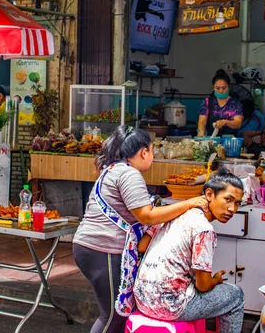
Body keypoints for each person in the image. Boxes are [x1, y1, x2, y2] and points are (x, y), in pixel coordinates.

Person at [73, 125, 209, 333]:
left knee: (116, 314)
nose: (152, 156)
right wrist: (189, 204)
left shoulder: (114, 169)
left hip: (92, 247)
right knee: (113, 315)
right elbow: (147, 216)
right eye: (152, 151)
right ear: (144, 152)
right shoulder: (128, 174)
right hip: (103, 248)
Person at [133, 168, 245, 333]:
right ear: (209, 195)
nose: (232, 209)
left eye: (237, 203)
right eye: (228, 199)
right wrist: (215, 280)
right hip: (169, 307)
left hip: (142, 299)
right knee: (236, 295)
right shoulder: (204, 230)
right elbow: (203, 285)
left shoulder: (174, 212)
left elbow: (142, 246)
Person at [197, 69, 244, 137]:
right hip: (211, 139)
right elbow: (202, 121)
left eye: (224, 88)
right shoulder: (207, 102)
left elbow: (238, 123)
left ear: (228, 87)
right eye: (217, 88)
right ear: (213, 87)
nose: (221, 91)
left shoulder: (235, 103)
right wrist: (201, 132)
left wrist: (225, 122)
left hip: (229, 140)